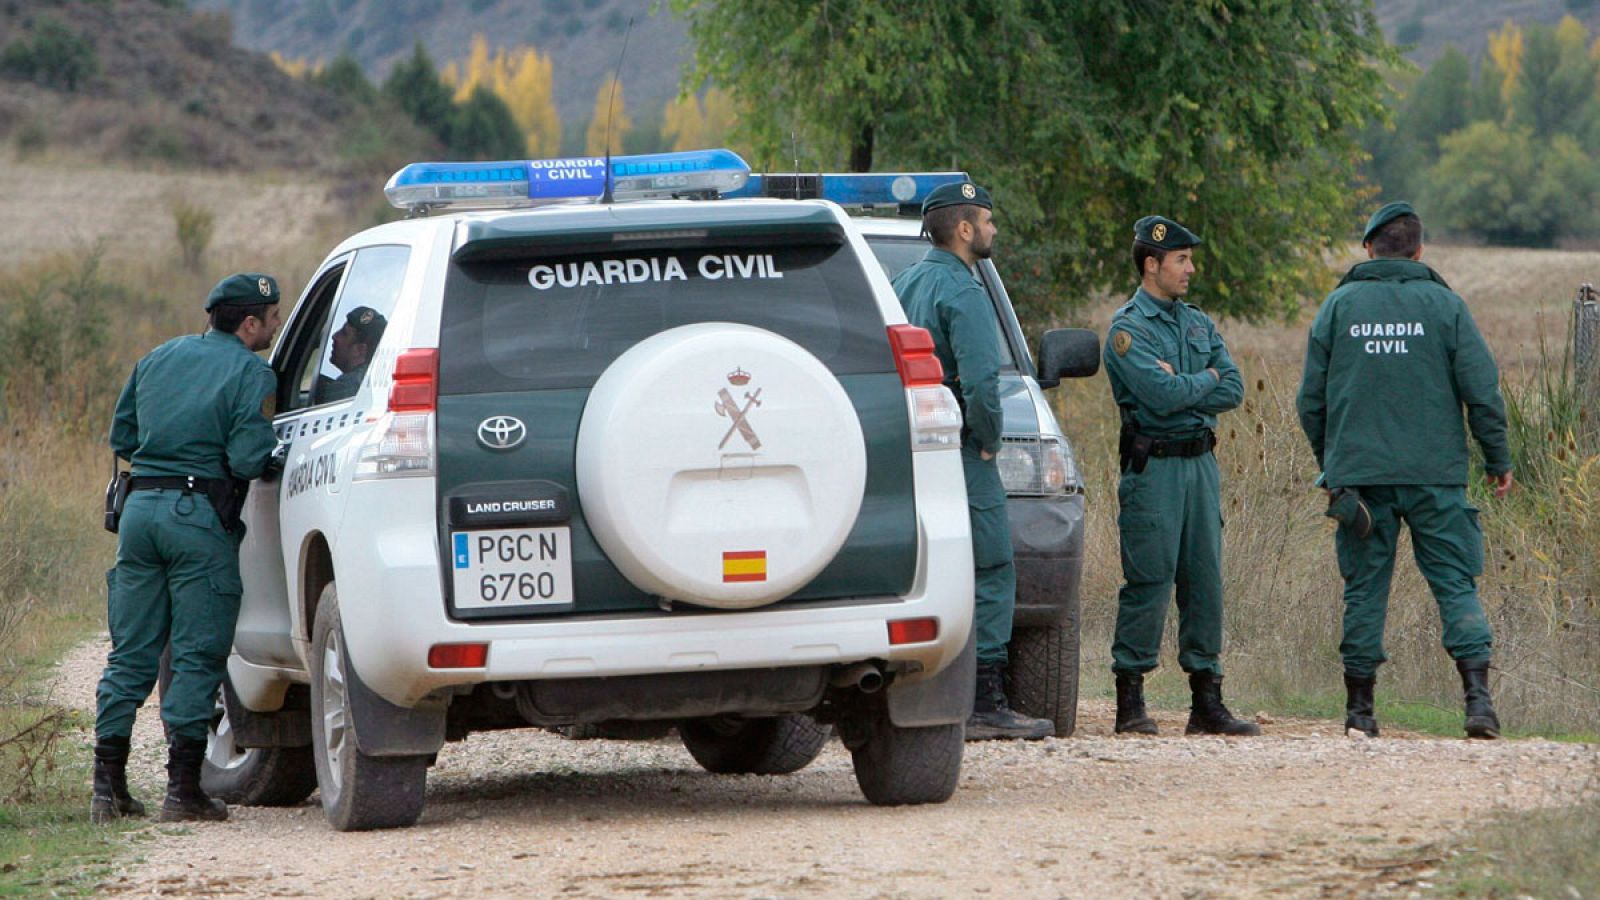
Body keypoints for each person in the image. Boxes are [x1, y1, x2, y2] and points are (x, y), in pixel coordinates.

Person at [1296, 201, 1513, 740]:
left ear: (1369, 248)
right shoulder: (1447, 307)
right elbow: (1482, 392)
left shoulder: (1338, 307)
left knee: (1365, 589)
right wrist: (1497, 459)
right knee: (1456, 585)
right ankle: (1478, 703)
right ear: (1419, 251)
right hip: (1437, 477)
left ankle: (1360, 714)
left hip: (1362, 480)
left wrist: (1334, 465)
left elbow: (1309, 401)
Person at [92, 273, 282, 823]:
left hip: (140, 514)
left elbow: (123, 437)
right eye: (271, 318)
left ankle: (107, 790)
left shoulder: (158, 356)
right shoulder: (253, 371)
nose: (274, 327)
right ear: (249, 323)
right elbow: (249, 458)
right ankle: (183, 791)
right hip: (198, 518)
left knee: (130, 653)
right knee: (197, 653)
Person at [891, 180, 1052, 741]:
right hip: (961, 449)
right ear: (964, 229)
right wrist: (987, 439)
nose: (993, 230)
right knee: (990, 566)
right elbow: (983, 382)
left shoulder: (903, 283)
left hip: (912, 449)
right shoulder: (964, 290)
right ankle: (985, 700)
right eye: (987, 220)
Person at [1103, 215, 1259, 737]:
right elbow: (1159, 397)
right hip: (1156, 469)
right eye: (1181, 260)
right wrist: (1201, 384)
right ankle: (1131, 699)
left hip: (1200, 466)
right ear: (1152, 265)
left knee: (1204, 579)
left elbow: (1233, 388)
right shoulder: (1128, 331)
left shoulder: (1197, 322)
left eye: (1190, 259)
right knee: (1150, 579)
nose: (1190, 269)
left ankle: (1207, 700)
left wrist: (1194, 380)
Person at [316, 305, 387, 403]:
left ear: (360, 350)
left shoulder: (344, 388)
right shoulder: (379, 381)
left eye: (344, 334)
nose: (334, 336)